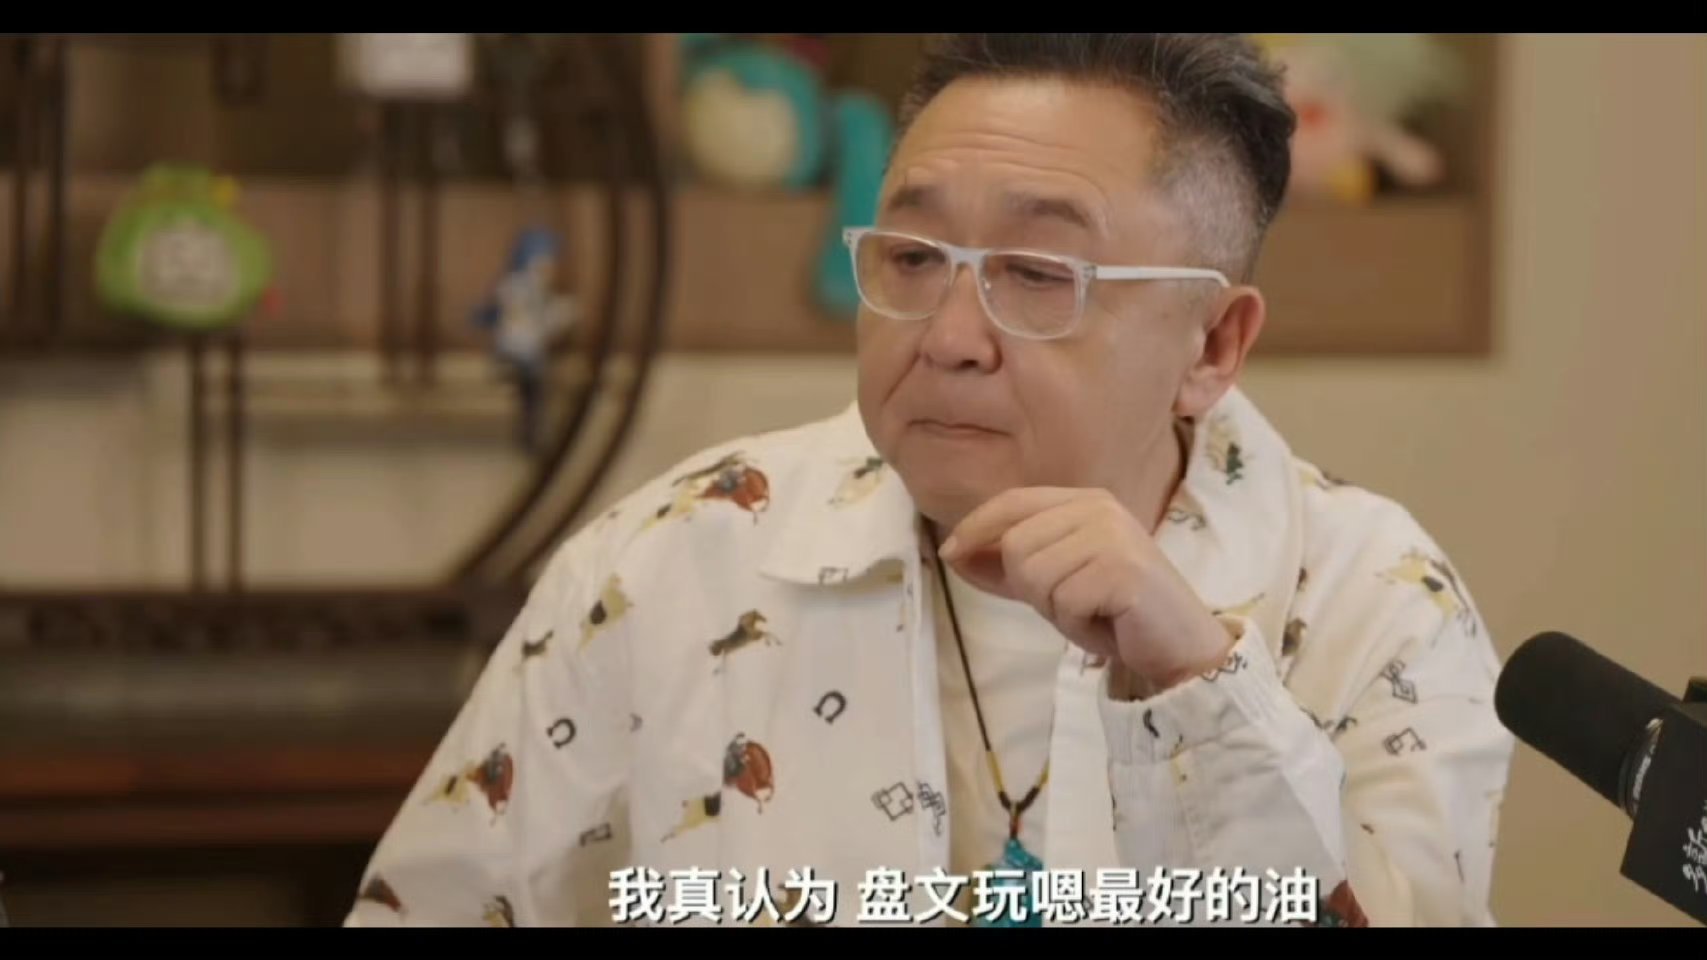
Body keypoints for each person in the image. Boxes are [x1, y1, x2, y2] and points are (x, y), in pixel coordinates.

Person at [344, 33, 1513, 928]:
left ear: (1212, 346)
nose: (949, 336)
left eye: (1038, 273)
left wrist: (1199, 685)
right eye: (912, 257)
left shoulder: (1373, 602)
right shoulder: (673, 559)